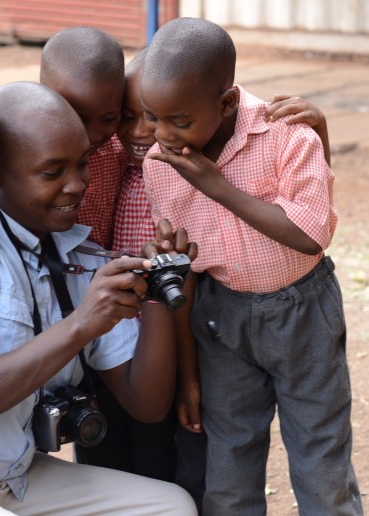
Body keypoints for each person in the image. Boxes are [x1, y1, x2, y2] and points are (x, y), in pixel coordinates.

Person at [0, 81, 198, 515]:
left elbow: (146, 404)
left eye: (82, 164)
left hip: (14, 476)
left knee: (170, 506)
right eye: (52, 172)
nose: (76, 185)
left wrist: (161, 290)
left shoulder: (78, 257)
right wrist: (81, 323)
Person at [141, 17, 362, 515]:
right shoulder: (161, 164)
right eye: (152, 117)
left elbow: (309, 236)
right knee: (230, 455)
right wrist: (188, 371)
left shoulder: (286, 133)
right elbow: (187, 270)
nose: (162, 135)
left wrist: (216, 185)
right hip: (222, 319)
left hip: (303, 310)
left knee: (320, 452)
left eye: (178, 120)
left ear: (226, 104)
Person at [40, 26, 128, 249]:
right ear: (44, 95)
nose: (94, 135)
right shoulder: (25, 152)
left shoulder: (120, 150)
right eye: (80, 118)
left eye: (110, 118)